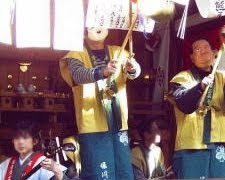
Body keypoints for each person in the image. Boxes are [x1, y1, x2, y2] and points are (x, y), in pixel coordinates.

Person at [59, 26, 141, 180]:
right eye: (92, 24)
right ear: (83, 31)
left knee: (123, 171)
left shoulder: (119, 52)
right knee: (98, 172)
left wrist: (132, 68)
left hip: (117, 122)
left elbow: (134, 74)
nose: (98, 27)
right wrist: (102, 72)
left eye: (101, 23)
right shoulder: (75, 54)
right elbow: (78, 75)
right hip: (92, 123)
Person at [169, 38, 225, 179]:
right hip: (191, 144)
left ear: (214, 53)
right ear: (192, 57)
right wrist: (200, 87)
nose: (204, 50)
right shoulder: (181, 78)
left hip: (219, 141)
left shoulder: (224, 77)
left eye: (207, 47)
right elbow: (183, 104)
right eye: (198, 48)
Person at [0, 121, 68, 180]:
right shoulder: (6, 164)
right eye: (17, 138)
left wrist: (57, 171)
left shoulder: (44, 162)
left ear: (35, 141)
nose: (20, 142)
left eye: (25, 138)